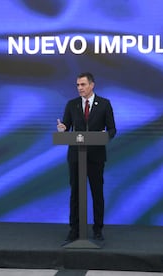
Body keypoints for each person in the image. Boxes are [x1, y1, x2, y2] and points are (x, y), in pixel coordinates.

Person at [57, 72, 116, 241]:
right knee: (75, 193)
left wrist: (105, 136)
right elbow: (66, 127)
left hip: (96, 156)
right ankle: (74, 229)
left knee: (97, 193)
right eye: (77, 85)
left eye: (83, 85)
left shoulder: (104, 104)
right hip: (76, 156)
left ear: (92, 85)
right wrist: (62, 129)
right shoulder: (72, 104)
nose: (79, 88)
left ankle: (98, 229)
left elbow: (112, 129)